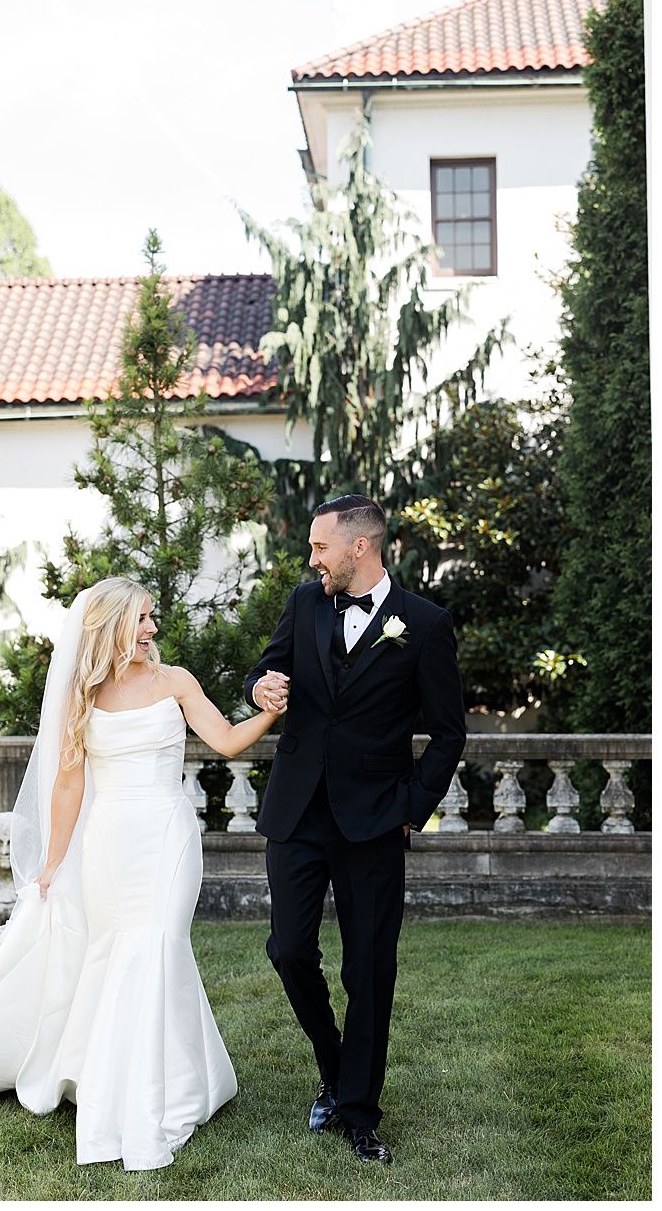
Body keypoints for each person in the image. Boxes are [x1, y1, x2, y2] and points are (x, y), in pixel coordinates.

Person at [0, 576, 279, 1171]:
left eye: (153, 618)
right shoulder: (83, 693)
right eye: (142, 620)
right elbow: (69, 782)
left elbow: (228, 742)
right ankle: (139, 1075)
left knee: (157, 943)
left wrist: (267, 713)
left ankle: (163, 1093)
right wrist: (53, 862)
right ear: (109, 628)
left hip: (166, 834)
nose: (153, 629)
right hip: (108, 839)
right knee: (113, 950)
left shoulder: (174, 682)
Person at [245, 494, 464, 1166]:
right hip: (298, 809)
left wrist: (410, 805)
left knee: (369, 969)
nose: (311, 558)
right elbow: (263, 667)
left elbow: (450, 731)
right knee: (288, 949)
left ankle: (360, 1112)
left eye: (320, 547)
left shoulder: (424, 624)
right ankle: (334, 1066)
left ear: (359, 547)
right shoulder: (306, 603)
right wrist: (259, 688)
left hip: (374, 820)